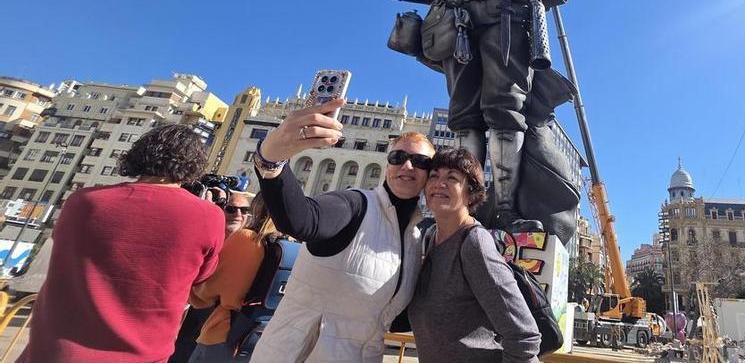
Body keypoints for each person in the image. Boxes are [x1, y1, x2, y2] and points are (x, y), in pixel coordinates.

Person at [360, 0, 626, 232]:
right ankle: (465, 205)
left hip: (508, 29)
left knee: (505, 112)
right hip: (461, 36)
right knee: (464, 118)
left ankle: (503, 210)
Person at [18, 124, 226, 363]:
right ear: (194, 165)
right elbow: (201, 277)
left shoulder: (82, 201)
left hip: (54, 350)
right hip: (142, 354)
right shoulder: (208, 217)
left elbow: (64, 246)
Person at [248, 97, 436, 362]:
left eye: (421, 162)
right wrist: (271, 159)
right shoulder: (355, 204)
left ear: (431, 175)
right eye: (398, 157)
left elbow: (393, 318)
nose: (408, 165)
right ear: (387, 166)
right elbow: (302, 220)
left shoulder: (414, 238)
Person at [409, 147, 540, 362]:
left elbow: (524, 336)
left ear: (471, 194)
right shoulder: (430, 238)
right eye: (434, 175)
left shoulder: (473, 243)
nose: (439, 183)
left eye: (452, 177)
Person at [186, 192, 280, 362]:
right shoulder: (294, 246)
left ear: (256, 209)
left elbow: (203, 294)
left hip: (225, 335)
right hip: (265, 339)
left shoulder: (248, 239)